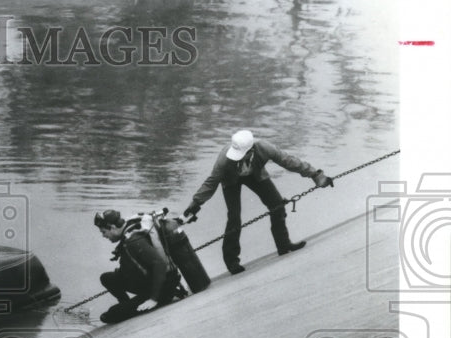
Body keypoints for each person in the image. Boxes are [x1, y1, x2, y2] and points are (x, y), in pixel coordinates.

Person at [183, 129, 333, 275]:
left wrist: (315, 174)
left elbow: (288, 161)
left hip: (256, 175)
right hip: (230, 180)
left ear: (251, 150)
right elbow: (211, 182)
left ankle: (284, 245)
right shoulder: (224, 159)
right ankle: (232, 262)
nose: (238, 157)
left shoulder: (264, 147)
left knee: (277, 205)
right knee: (234, 217)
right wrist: (195, 204)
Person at [94, 210, 182, 323]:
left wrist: (153, 299)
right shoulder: (129, 230)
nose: (103, 236)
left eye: (104, 232)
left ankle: (140, 303)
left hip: (162, 288)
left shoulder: (134, 240)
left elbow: (160, 265)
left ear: (112, 227)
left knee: (110, 315)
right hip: (149, 281)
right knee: (106, 278)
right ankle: (127, 305)